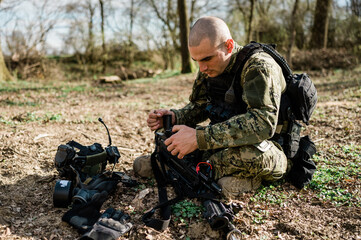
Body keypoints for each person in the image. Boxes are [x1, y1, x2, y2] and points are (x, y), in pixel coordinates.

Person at [133, 16, 290, 199]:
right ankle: (196, 168)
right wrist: (175, 117)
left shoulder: (259, 66)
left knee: (247, 156)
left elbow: (263, 123)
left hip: (268, 149)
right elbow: (200, 107)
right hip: (224, 143)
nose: (202, 67)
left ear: (229, 46)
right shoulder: (209, 69)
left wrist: (200, 138)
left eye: (207, 58)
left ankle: (223, 175)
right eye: (196, 60)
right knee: (170, 146)